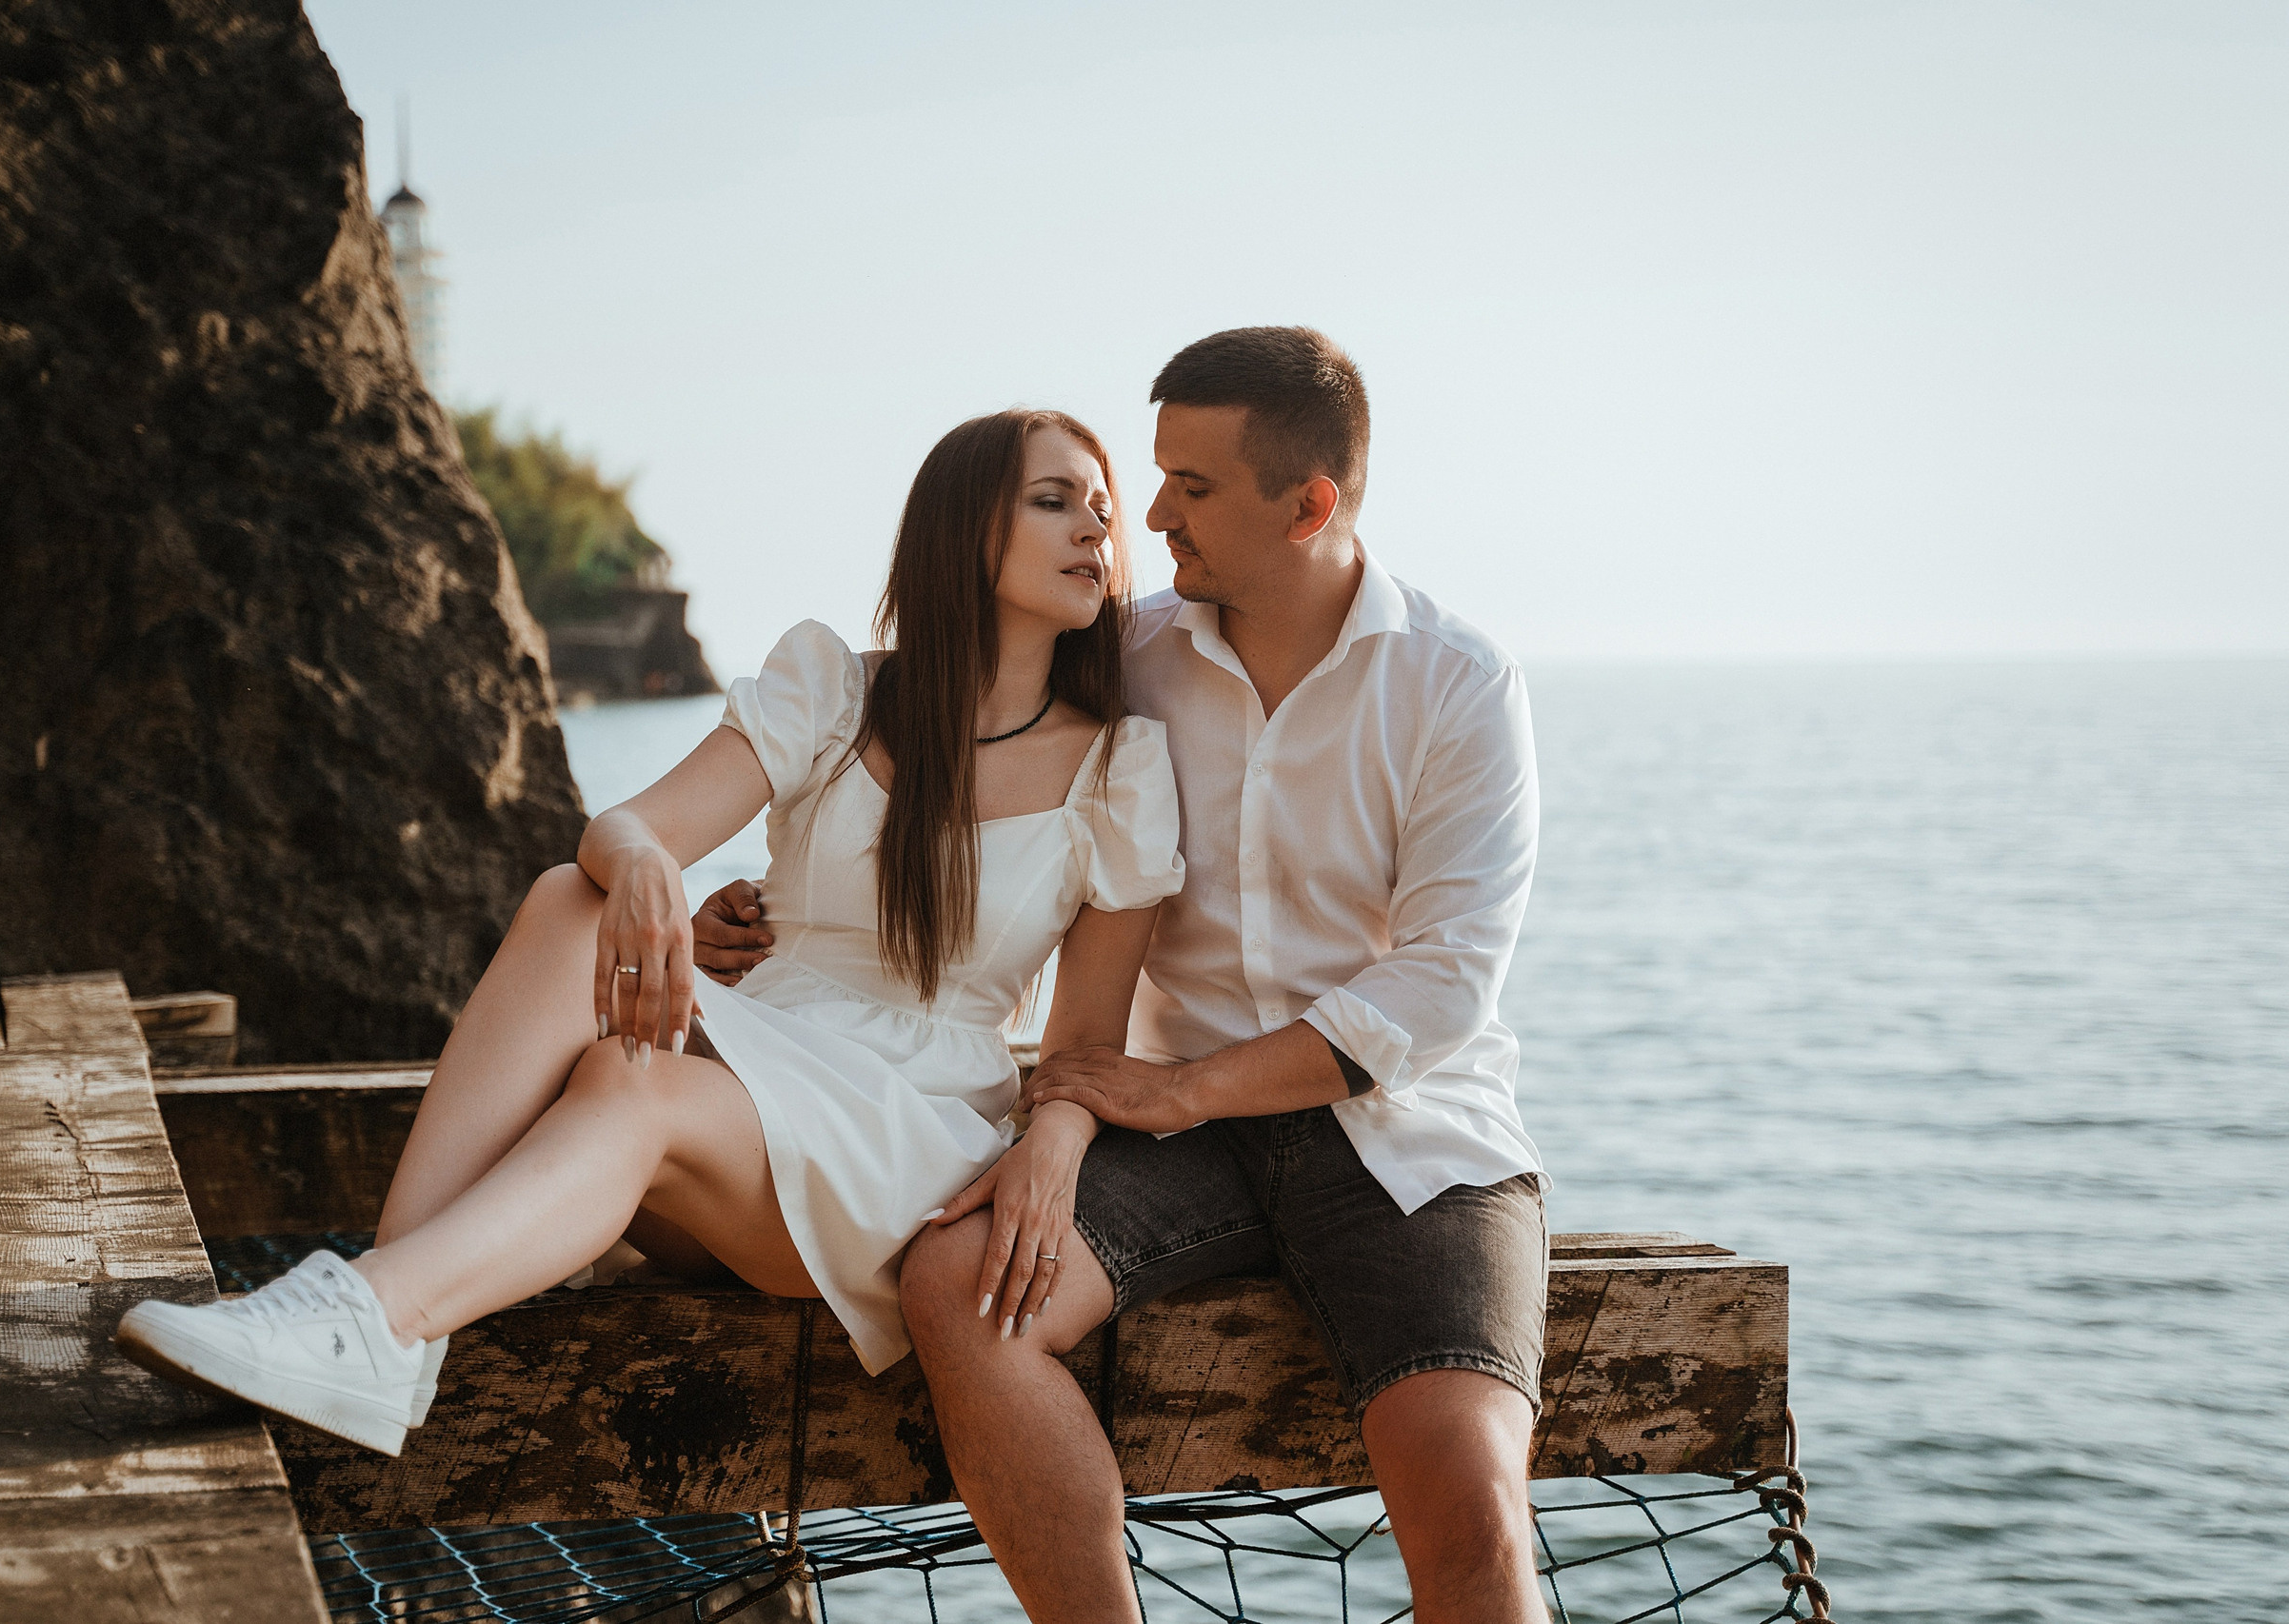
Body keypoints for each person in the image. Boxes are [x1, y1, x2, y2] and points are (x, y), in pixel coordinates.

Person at [113, 408, 1184, 1456]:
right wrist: (645, 878)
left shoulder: (1118, 768)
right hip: (756, 1058)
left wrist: (1057, 1147)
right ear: (962, 529)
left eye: (1101, 508)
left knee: (631, 1079)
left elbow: (1085, 1049)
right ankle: (384, 1312)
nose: (1097, 527)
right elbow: (629, 827)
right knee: (566, 897)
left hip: (903, 1126)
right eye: (1055, 501)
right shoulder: (840, 689)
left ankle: (371, 1315)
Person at [697, 327, 1548, 1623]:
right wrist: (772, 908)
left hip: (1406, 1138)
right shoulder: (1119, 653)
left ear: (1309, 504)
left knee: (1476, 1515)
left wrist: (1194, 1086)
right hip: (1161, 1132)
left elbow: (1440, 989)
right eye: (1153, 479)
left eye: (1192, 488)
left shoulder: (1457, 683)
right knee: (956, 1283)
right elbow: (931, 745)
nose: (1149, 517)